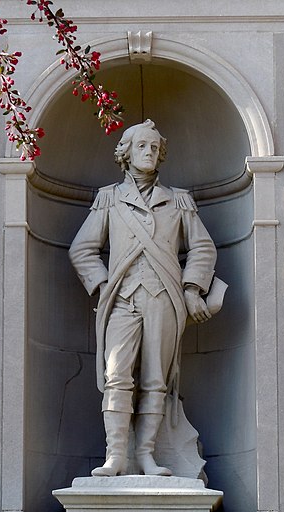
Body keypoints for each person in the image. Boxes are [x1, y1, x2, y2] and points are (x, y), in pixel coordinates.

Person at [69, 119, 217, 477]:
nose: (148, 152)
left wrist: (192, 287)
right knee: (116, 374)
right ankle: (116, 457)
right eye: (141, 146)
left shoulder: (179, 200)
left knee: (156, 379)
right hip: (121, 298)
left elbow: (202, 248)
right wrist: (104, 286)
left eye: (154, 147)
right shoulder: (109, 198)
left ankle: (146, 456)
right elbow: (83, 249)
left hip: (165, 298)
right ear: (126, 152)